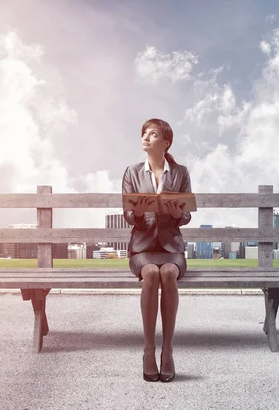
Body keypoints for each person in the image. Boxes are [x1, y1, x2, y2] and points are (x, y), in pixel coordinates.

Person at [122, 118, 192, 383]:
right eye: (144, 133)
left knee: (168, 274)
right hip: (142, 249)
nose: (146, 137)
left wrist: (177, 214)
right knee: (151, 273)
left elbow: (186, 216)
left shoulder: (181, 173)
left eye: (152, 134)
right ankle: (149, 350)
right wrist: (137, 213)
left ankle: (169, 350)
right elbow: (129, 215)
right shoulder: (131, 172)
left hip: (172, 247)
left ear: (166, 142)